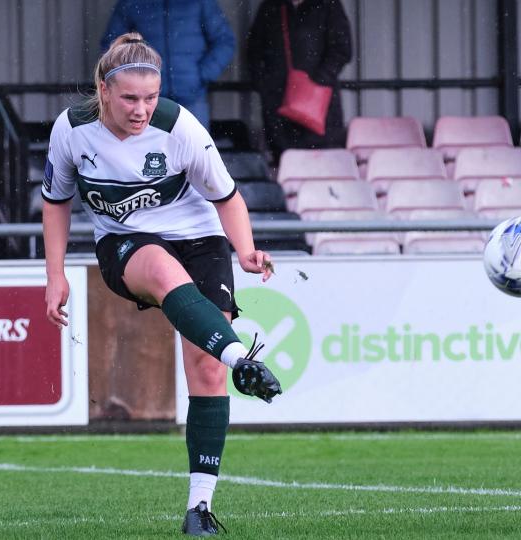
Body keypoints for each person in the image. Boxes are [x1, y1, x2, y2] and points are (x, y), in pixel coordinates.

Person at [41, 33, 282, 536]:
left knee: (207, 369)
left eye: (150, 97)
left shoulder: (179, 126)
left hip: (199, 238)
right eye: (130, 98)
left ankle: (199, 508)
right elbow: (56, 201)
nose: (141, 109)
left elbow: (227, 197)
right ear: (104, 91)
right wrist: (55, 275)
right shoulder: (72, 129)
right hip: (124, 241)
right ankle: (242, 359)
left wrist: (244, 250)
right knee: (161, 270)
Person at [100, 0, 235, 128]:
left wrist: (202, 74)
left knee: (196, 144)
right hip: (146, 102)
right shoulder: (132, 2)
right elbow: (112, 46)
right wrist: (132, 79)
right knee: (146, 145)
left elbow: (224, 41)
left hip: (192, 98)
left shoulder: (199, 1)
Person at [246, 0, 352, 162]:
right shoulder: (271, 6)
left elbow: (342, 49)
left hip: (319, 107)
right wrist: (264, 85)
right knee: (283, 162)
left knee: (324, 162)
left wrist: (317, 82)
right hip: (278, 107)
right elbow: (254, 50)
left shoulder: (328, 5)